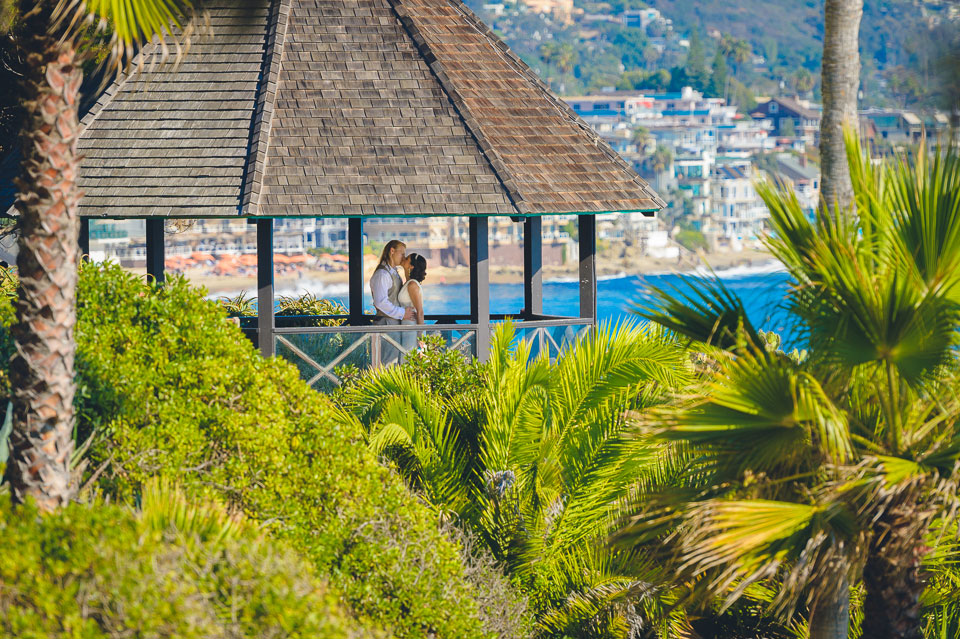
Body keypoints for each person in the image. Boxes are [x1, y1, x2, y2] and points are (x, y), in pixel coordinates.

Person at [370, 240, 416, 365]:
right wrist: (403, 313)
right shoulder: (382, 274)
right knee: (388, 363)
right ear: (392, 251)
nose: (404, 257)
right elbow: (381, 302)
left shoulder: (393, 272)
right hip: (386, 324)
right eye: (402, 253)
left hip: (393, 324)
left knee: (395, 361)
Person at [398, 253, 427, 356]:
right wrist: (404, 268)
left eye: (406, 258)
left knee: (408, 358)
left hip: (411, 328)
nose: (403, 258)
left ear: (411, 266)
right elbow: (407, 276)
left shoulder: (412, 285)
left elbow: (420, 312)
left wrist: (421, 340)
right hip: (405, 326)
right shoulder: (409, 282)